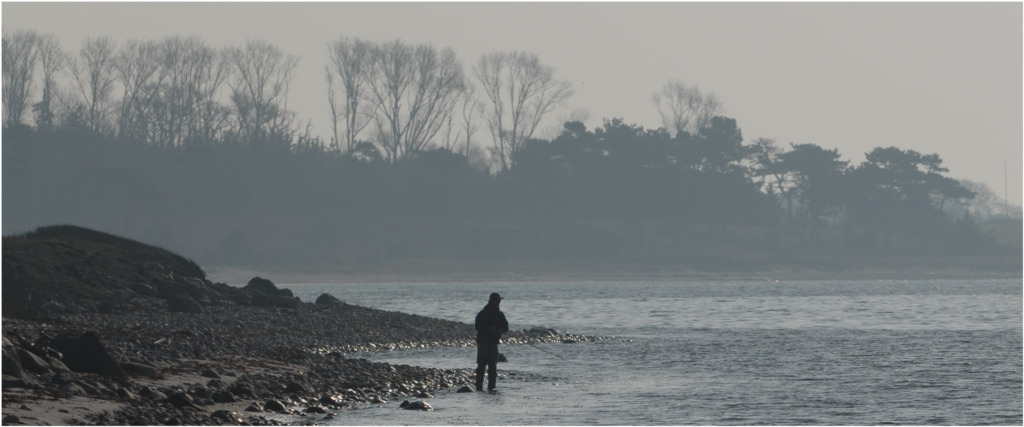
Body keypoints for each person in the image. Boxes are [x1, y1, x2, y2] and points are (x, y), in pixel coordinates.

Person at [474, 292, 509, 392]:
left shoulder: (499, 314)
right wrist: (489, 328)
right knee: (481, 366)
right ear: (492, 301)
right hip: (483, 343)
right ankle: (479, 387)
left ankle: (491, 387)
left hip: (493, 344)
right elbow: (477, 326)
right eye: (497, 300)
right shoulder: (483, 313)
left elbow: (506, 327)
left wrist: (500, 330)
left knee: (493, 366)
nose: (499, 302)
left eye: (499, 300)